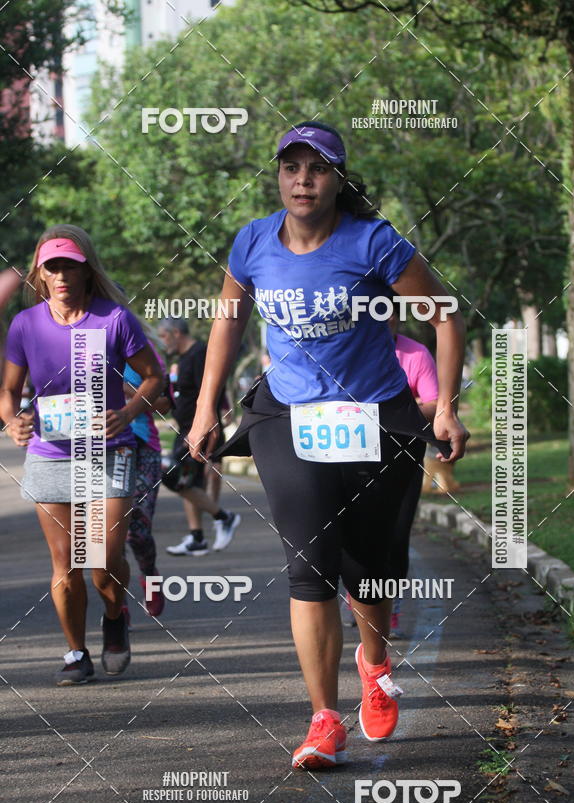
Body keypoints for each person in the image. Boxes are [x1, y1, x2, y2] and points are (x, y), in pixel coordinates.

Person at [186, 121, 469, 769]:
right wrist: (207, 406)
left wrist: (446, 406)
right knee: (309, 564)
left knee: (370, 567)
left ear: (339, 179)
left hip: (375, 419)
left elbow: (446, 315)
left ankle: (374, 664)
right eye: (291, 167)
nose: (303, 179)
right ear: (278, 175)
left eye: (317, 168)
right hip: (286, 416)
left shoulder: (374, 242)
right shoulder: (253, 241)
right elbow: (227, 323)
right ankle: (323, 719)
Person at [0, 225, 163, 685]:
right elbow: (9, 391)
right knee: (66, 564)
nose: (62, 274)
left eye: (71, 264)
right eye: (53, 266)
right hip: (49, 453)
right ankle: (76, 652)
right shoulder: (26, 325)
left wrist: (127, 410)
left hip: (107, 452)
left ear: (87, 269)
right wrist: (13, 422)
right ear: (41, 274)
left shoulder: (113, 319)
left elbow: (153, 378)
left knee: (103, 565)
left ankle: (115, 613)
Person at [156, 317, 240, 554]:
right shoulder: (183, 358)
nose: (163, 344)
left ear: (175, 332)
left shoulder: (199, 353)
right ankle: (197, 537)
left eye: (163, 337)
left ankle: (224, 517)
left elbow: (211, 390)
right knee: (186, 482)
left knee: (176, 479)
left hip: (198, 429)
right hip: (185, 429)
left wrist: (207, 428)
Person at [387, 312, 439, 638]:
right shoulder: (346, 348)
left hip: (404, 455)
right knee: (353, 534)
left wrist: (392, 414)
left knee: (395, 535)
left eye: (387, 311)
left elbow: (434, 403)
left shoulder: (415, 353)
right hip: (352, 457)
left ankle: (388, 607)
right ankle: (358, 593)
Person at [123, 326, 174, 618]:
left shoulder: (143, 354)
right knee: (103, 536)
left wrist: (128, 391)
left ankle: (149, 576)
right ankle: (116, 608)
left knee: (138, 530)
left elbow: (166, 403)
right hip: (94, 449)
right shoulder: (78, 352)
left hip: (142, 446)